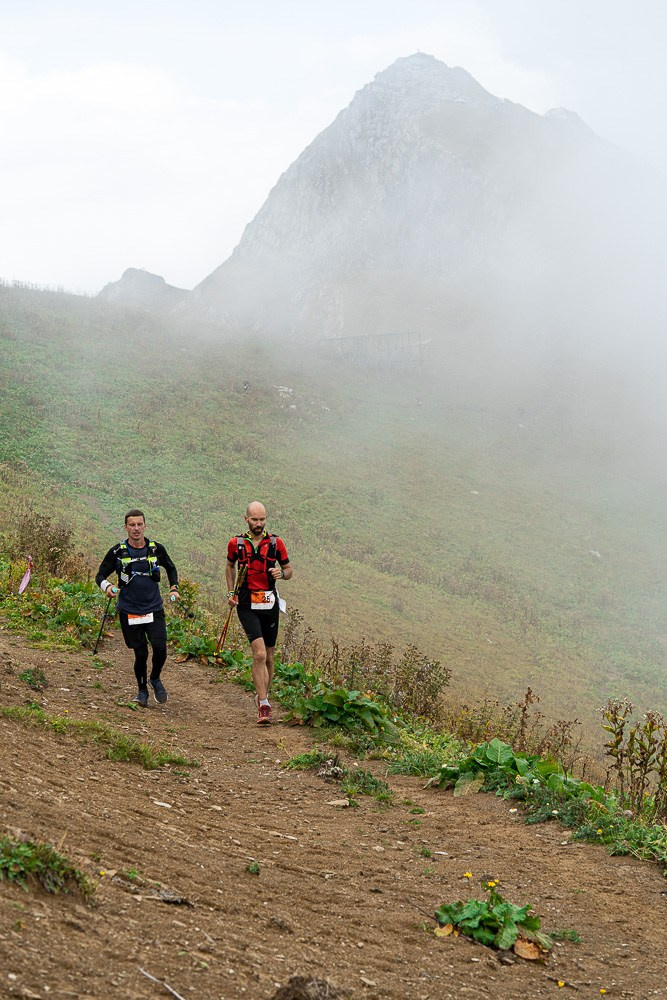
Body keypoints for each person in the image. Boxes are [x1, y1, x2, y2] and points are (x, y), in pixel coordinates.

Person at [95, 509, 179, 707]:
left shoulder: (156, 549)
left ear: (145, 525)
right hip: (129, 610)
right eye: (132, 525)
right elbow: (100, 575)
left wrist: (174, 588)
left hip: (154, 608)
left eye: (139, 524)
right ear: (125, 527)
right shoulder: (117, 552)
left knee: (160, 648)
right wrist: (107, 587)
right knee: (140, 653)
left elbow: (171, 567)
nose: (136, 528)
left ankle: (155, 678)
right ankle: (142, 691)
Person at [226, 501, 292, 724]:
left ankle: (263, 695)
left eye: (262, 519)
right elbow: (229, 566)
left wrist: (280, 574)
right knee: (260, 654)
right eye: (254, 519)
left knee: (270, 657)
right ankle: (263, 705)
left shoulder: (275, 542)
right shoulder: (236, 543)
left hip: (269, 602)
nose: (259, 523)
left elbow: (289, 570)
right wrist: (231, 591)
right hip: (246, 603)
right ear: (246, 519)